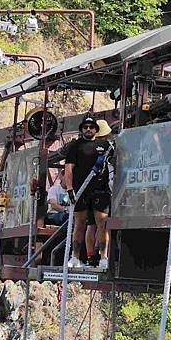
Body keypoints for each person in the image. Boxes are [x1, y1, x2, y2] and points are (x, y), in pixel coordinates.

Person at [65, 116, 112, 270]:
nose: (88, 129)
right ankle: (75, 257)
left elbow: (116, 163)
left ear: (96, 129)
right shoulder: (75, 146)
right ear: (81, 129)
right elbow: (69, 169)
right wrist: (70, 189)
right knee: (79, 224)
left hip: (100, 190)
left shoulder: (105, 146)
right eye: (85, 127)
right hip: (81, 191)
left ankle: (103, 258)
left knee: (102, 224)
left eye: (91, 127)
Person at [85, 119, 114, 267]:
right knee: (102, 226)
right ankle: (103, 257)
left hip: (87, 192)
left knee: (90, 226)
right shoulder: (108, 150)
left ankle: (90, 257)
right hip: (101, 192)